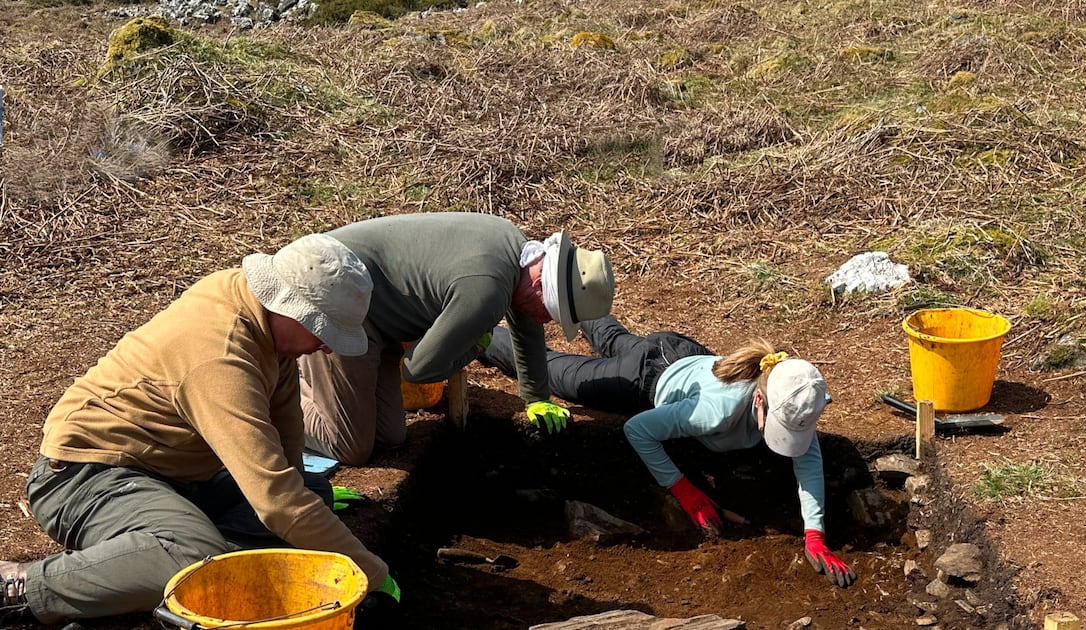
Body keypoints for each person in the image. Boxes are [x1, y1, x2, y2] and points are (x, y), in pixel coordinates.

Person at [0, 234, 400, 626]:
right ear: (288, 308)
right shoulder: (219, 356)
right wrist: (373, 575)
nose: (327, 348)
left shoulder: (257, 313)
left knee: (310, 492)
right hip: (86, 476)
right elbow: (276, 501)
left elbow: (286, 429)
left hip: (174, 474)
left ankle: (152, 554)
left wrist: (298, 492)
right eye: (323, 331)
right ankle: (23, 586)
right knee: (194, 557)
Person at [481, 315, 857, 588]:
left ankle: (584, 309)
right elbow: (638, 430)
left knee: (613, 337)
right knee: (553, 371)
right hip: (644, 376)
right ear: (760, 399)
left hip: (680, 353)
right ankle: (478, 335)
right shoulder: (715, 413)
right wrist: (685, 492)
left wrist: (815, 535)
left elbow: (807, 458)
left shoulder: (793, 392)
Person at [300, 212, 615, 465]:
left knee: (389, 437)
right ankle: (274, 397)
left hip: (376, 317)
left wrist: (537, 398)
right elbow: (417, 369)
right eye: (551, 313)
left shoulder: (517, 251)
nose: (545, 321)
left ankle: (311, 381)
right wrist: (478, 344)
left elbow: (527, 325)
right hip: (333, 291)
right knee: (349, 447)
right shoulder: (487, 288)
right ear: (539, 285)